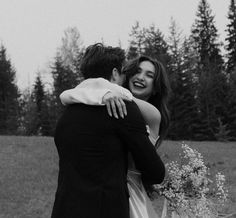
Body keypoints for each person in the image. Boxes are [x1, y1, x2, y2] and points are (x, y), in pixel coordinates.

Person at [51, 43, 166, 218]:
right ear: (115, 73)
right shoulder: (121, 110)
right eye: (132, 72)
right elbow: (156, 173)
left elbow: (67, 95)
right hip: (109, 206)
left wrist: (103, 91)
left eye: (149, 75)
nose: (140, 77)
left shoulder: (67, 113)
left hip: (65, 209)